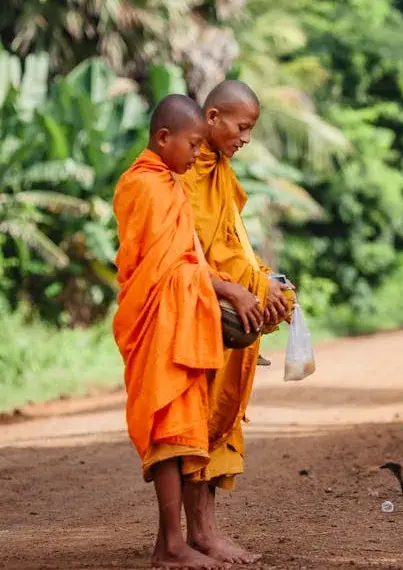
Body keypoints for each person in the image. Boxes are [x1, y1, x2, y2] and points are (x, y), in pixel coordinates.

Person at [112, 94, 263, 569]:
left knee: (182, 432)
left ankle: (172, 543)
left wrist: (253, 287)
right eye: (194, 143)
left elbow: (192, 257)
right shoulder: (144, 186)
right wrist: (230, 291)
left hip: (182, 321)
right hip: (158, 323)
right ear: (164, 138)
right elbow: (165, 266)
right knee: (168, 434)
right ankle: (171, 545)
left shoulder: (172, 184)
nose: (199, 153)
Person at [178, 79, 293, 564]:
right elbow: (186, 252)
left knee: (221, 421)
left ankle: (205, 531)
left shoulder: (220, 172)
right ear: (212, 119)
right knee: (195, 422)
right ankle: (198, 535)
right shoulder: (182, 174)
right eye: (242, 127)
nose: (246, 138)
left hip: (235, 316)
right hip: (199, 314)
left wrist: (268, 283)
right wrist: (232, 289)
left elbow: (234, 243)